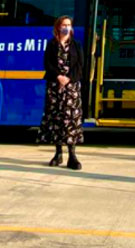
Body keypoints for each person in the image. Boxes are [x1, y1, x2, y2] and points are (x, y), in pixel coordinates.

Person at [38, 16, 85, 170]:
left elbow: (80, 65)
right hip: (55, 86)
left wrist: (69, 79)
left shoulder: (76, 45)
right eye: (64, 25)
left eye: (69, 25)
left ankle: (72, 156)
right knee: (56, 118)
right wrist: (58, 76)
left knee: (70, 119)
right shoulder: (51, 45)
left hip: (71, 88)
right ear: (58, 27)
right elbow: (47, 64)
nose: (66, 27)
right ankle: (58, 153)